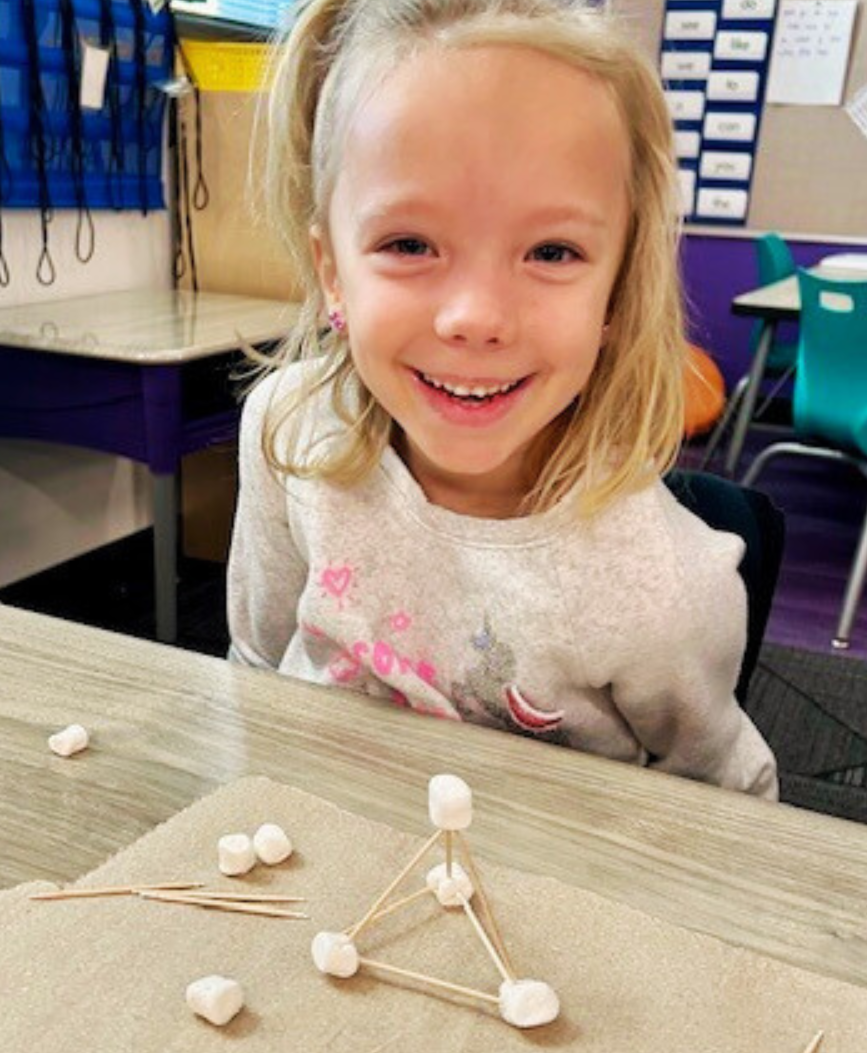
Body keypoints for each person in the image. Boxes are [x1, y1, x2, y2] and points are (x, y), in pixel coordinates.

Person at [227, 0, 778, 800]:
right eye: (409, 244)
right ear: (333, 271)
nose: (475, 319)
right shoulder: (287, 433)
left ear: (617, 288)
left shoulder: (665, 591)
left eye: (551, 251)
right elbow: (260, 677)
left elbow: (727, 808)